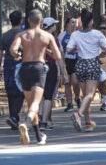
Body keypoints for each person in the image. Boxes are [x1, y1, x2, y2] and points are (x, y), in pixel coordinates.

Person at [10, 9, 68, 146]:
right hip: (39, 68)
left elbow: (13, 49)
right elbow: (58, 57)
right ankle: (26, 123)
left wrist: (16, 55)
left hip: (24, 69)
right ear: (41, 21)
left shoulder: (21, 34)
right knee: (36, 103)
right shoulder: (47, 36)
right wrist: (64, 74)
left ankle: (38, 136)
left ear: (29, 21)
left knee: (31, 104)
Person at [67, 9, 106, 132]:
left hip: (80, 64)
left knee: (85, 95)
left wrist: (80, 49)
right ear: (91, 21)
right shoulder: (97, 34)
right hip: (93, 63)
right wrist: (98, 51)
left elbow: (69, 49)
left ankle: (88, 123)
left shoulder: (75, 34)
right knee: (90, 95)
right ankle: (79, 115)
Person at [0, 10, 25, 130]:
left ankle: (14, 117)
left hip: (7, 63)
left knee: (10, 90)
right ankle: (14, 117)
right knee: (21, 91)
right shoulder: (23, 35)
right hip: (21, 63)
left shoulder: (4, 35)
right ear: (21, 21)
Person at [39, 17, 60, 130]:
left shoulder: (37, 37)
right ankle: (44, 121)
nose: (55, 27)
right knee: (48, 96)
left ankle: (40, 117)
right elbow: (56, 56)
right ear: (51, 27)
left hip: (38, 66)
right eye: (54, 25)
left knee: (40, 94)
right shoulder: (52, 39)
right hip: (50, 66)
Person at [58, 17, 79, 112]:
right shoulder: (62, 36)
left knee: (75, 82)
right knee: (67, 83)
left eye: (76, 23)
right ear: (67, 24)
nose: (74, 24)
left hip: (77, 61)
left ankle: (77, 98)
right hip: (66, 61)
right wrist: (62, 63)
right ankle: (70, 104)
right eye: (72, 22)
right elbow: (60, 50)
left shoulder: (79, 35)